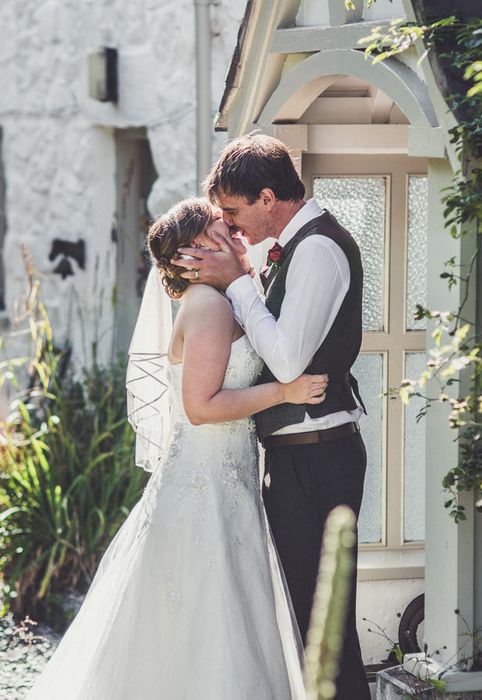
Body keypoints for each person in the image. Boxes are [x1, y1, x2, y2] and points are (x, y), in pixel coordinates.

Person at [26, 197, 329, 699]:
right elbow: (201, 407)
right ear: (194, 252)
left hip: (225, 478)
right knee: (205, 613)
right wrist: (284, 392)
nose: (234, 232)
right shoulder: (208, 308)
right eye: (221, 227)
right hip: (204, 485)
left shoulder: (225, 297)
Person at [171, 134, 371, 700]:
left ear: (266, 196)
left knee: (325, 623)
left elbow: (287, 358)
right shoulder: (289, 247)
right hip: (296, 457)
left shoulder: (318, 248)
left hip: (320, 457)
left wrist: (236, 281)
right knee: (310, 617)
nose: (234, 228)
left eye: (234, 212)